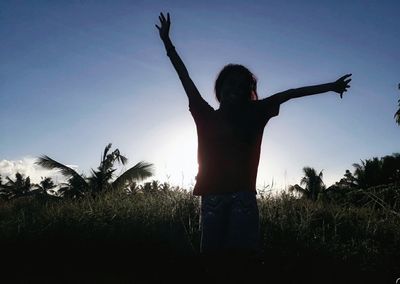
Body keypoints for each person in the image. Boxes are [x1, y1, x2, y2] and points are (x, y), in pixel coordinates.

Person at [155, 11, 351, 275]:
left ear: (249, 92)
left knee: (243, 263)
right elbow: (185, 78)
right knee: (212, 262)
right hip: (211, 198)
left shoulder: (256, 113)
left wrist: (330, 86)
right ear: (219, 88)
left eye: (241, 85)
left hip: (242, 199)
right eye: (229, 84)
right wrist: (168, 43)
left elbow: (291, 94)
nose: (234, 88)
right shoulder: (204, 114)